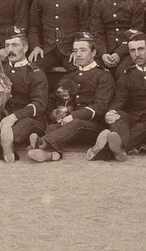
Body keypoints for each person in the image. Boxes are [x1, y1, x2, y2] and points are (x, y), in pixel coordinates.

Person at [28, 33, 114, 162]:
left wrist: (73, 115)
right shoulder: (71, 75)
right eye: (75, 50)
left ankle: (42, 143)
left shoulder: (103, 75)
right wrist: (54, 114)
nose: (78, 54)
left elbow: (100, 107)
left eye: (83, 50)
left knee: (76, 123)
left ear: (94, 52)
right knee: (52, 127)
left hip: (93, 127)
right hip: (70, 126)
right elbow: (53, 98)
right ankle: (53, 154)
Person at [0, 28, 47, 163]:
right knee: (1, 127)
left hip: (30, 118)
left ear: (25, 48)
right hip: (3, 117)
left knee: (21, 126)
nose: (10, 49)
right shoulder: (0, 69)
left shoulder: (35, 72)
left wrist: (15, 117)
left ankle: (1, 145)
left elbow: (40, 104)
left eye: (15, 45)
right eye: (7, 45)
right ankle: (3, 144)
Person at [99, 31, 146, 161]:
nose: (137, 54)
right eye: (132, 51)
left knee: (144, 128)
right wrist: (110, 113)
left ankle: (105, 147)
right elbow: (119, 100)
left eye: (141, 49)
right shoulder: (126, 75)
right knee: (117, 115)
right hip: (133, 117)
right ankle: (116, 146)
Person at [27, 0, 89, 90]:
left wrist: (77, 49)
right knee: (31, 71)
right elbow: (34, 26)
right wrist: (36, 46)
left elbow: (85, 26)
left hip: (70, 50)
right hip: (47, 49)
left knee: (81, 72)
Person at [87, 0, 145, 72]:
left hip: (127, 50)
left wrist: (119, 53)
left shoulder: (134, 3)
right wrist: (103, 54)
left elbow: (135, 32)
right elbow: (96, 32)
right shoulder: (99, 4)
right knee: (95, 72)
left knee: (123, 71)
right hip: (104, 51)